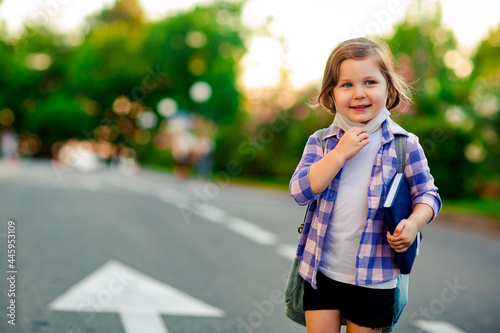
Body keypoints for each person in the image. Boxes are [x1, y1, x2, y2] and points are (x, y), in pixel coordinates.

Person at [289, 37, 441, 333]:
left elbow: (428, 195)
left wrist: (413, 224)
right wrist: (339, 154)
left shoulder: (404, 145)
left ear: (388, 87)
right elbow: (300, 191)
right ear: (331, 92)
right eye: (346, 85)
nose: (359, 93)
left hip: (375, 277)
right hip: (321, 272)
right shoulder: (322, 142)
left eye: (370, 82)